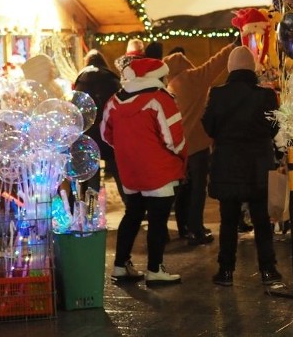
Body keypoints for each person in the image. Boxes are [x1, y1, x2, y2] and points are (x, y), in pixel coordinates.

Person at [101, 57, 186, 285]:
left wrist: (128, 150)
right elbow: (174, 139)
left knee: (133, 214)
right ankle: (155, 269)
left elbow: (105, 133)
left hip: (130, 169)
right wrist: (180, 156)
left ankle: (120, 265)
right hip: (159, 169)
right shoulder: (160, 99)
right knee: (158, 220)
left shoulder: (115, 101)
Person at [202, 46, 282, 287]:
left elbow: (209, 127)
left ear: (230, 68)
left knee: (228, 221)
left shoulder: (217, 94)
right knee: (261, 220)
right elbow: (274, 128)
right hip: (257, 166)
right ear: (252, 67)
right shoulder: (265, 95)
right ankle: (268, 270)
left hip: (228, 166)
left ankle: (225, 271)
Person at [165, 43, 235, 245]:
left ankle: (183, 226)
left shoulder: (171, 86)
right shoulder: (193, 78)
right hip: (197, 144)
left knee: (182, 188)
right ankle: (196, 228)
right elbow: (217, 62)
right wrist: (234, 44)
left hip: (178, 145)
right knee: (198, 188)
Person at [73, 49, 122, 195]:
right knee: (118, 171)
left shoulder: (80, 81)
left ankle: (90, 210)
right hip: (109, 132)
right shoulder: (112, 79)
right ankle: (130, 204)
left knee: (91, 175)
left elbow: (76, 109)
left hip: (88, 134)